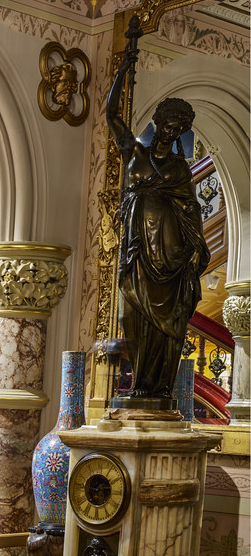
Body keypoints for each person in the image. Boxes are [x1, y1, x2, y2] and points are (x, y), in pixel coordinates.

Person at [106, 49, 209, 404]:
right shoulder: (135, 153)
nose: (171, 131)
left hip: (169, 253)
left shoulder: (180, 170)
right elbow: (110, 114)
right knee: (128, 315)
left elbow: (190, 208)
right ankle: (140, 382)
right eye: (168, 124)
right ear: (159, 121)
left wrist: (197, 246)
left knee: (167, 326)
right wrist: (124, 68)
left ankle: (155, 387)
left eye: (178, 128)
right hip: (137, 249)